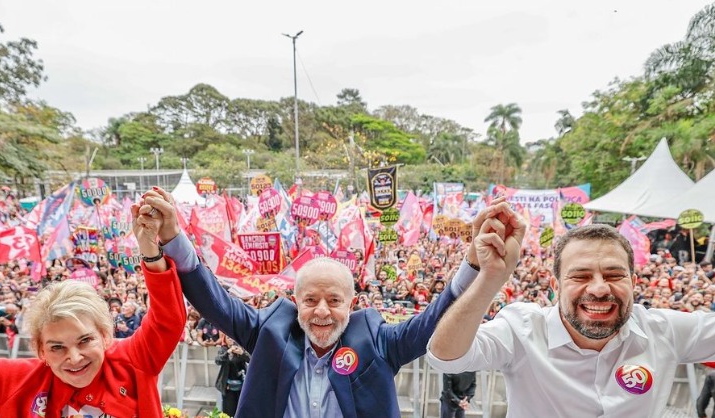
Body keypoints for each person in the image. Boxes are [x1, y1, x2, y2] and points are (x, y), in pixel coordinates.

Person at [149, 188, 504, 417]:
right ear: (295, 301)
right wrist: (172, 238)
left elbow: (433, 320)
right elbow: (214, 301)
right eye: (310, 300)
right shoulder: (268, 331)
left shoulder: (379, 341)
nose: (321, 311)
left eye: (334, 300)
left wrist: (473, 262)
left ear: (352, 304)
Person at [0, 192, 186, 418]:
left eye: (85, 340)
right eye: (57, 347)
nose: (74, 358)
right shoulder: (17, 382)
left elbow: (167, 322)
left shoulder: (133, 362)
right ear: (40, 349)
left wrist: (150, 252)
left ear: (105, 336)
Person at [428, 221, 715, 417]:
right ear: (556, 287)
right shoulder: (522, 328)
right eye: (581, 276)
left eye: (615, 275)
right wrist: (490, 279)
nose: (600, 288)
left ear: (633, 282)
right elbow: (445, 356)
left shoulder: (664, 330)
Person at [215, 333, 250, 415]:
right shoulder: (223, 350)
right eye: (228, 338)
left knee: (241, 409)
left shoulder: (240, 349)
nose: (230, 339)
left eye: (232, 338)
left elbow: (251, 360)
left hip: (241, 385)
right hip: (228, 387)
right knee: (229, 410)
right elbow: (218, 361)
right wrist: (227, 353)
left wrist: (242, 353)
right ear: (225, 340)